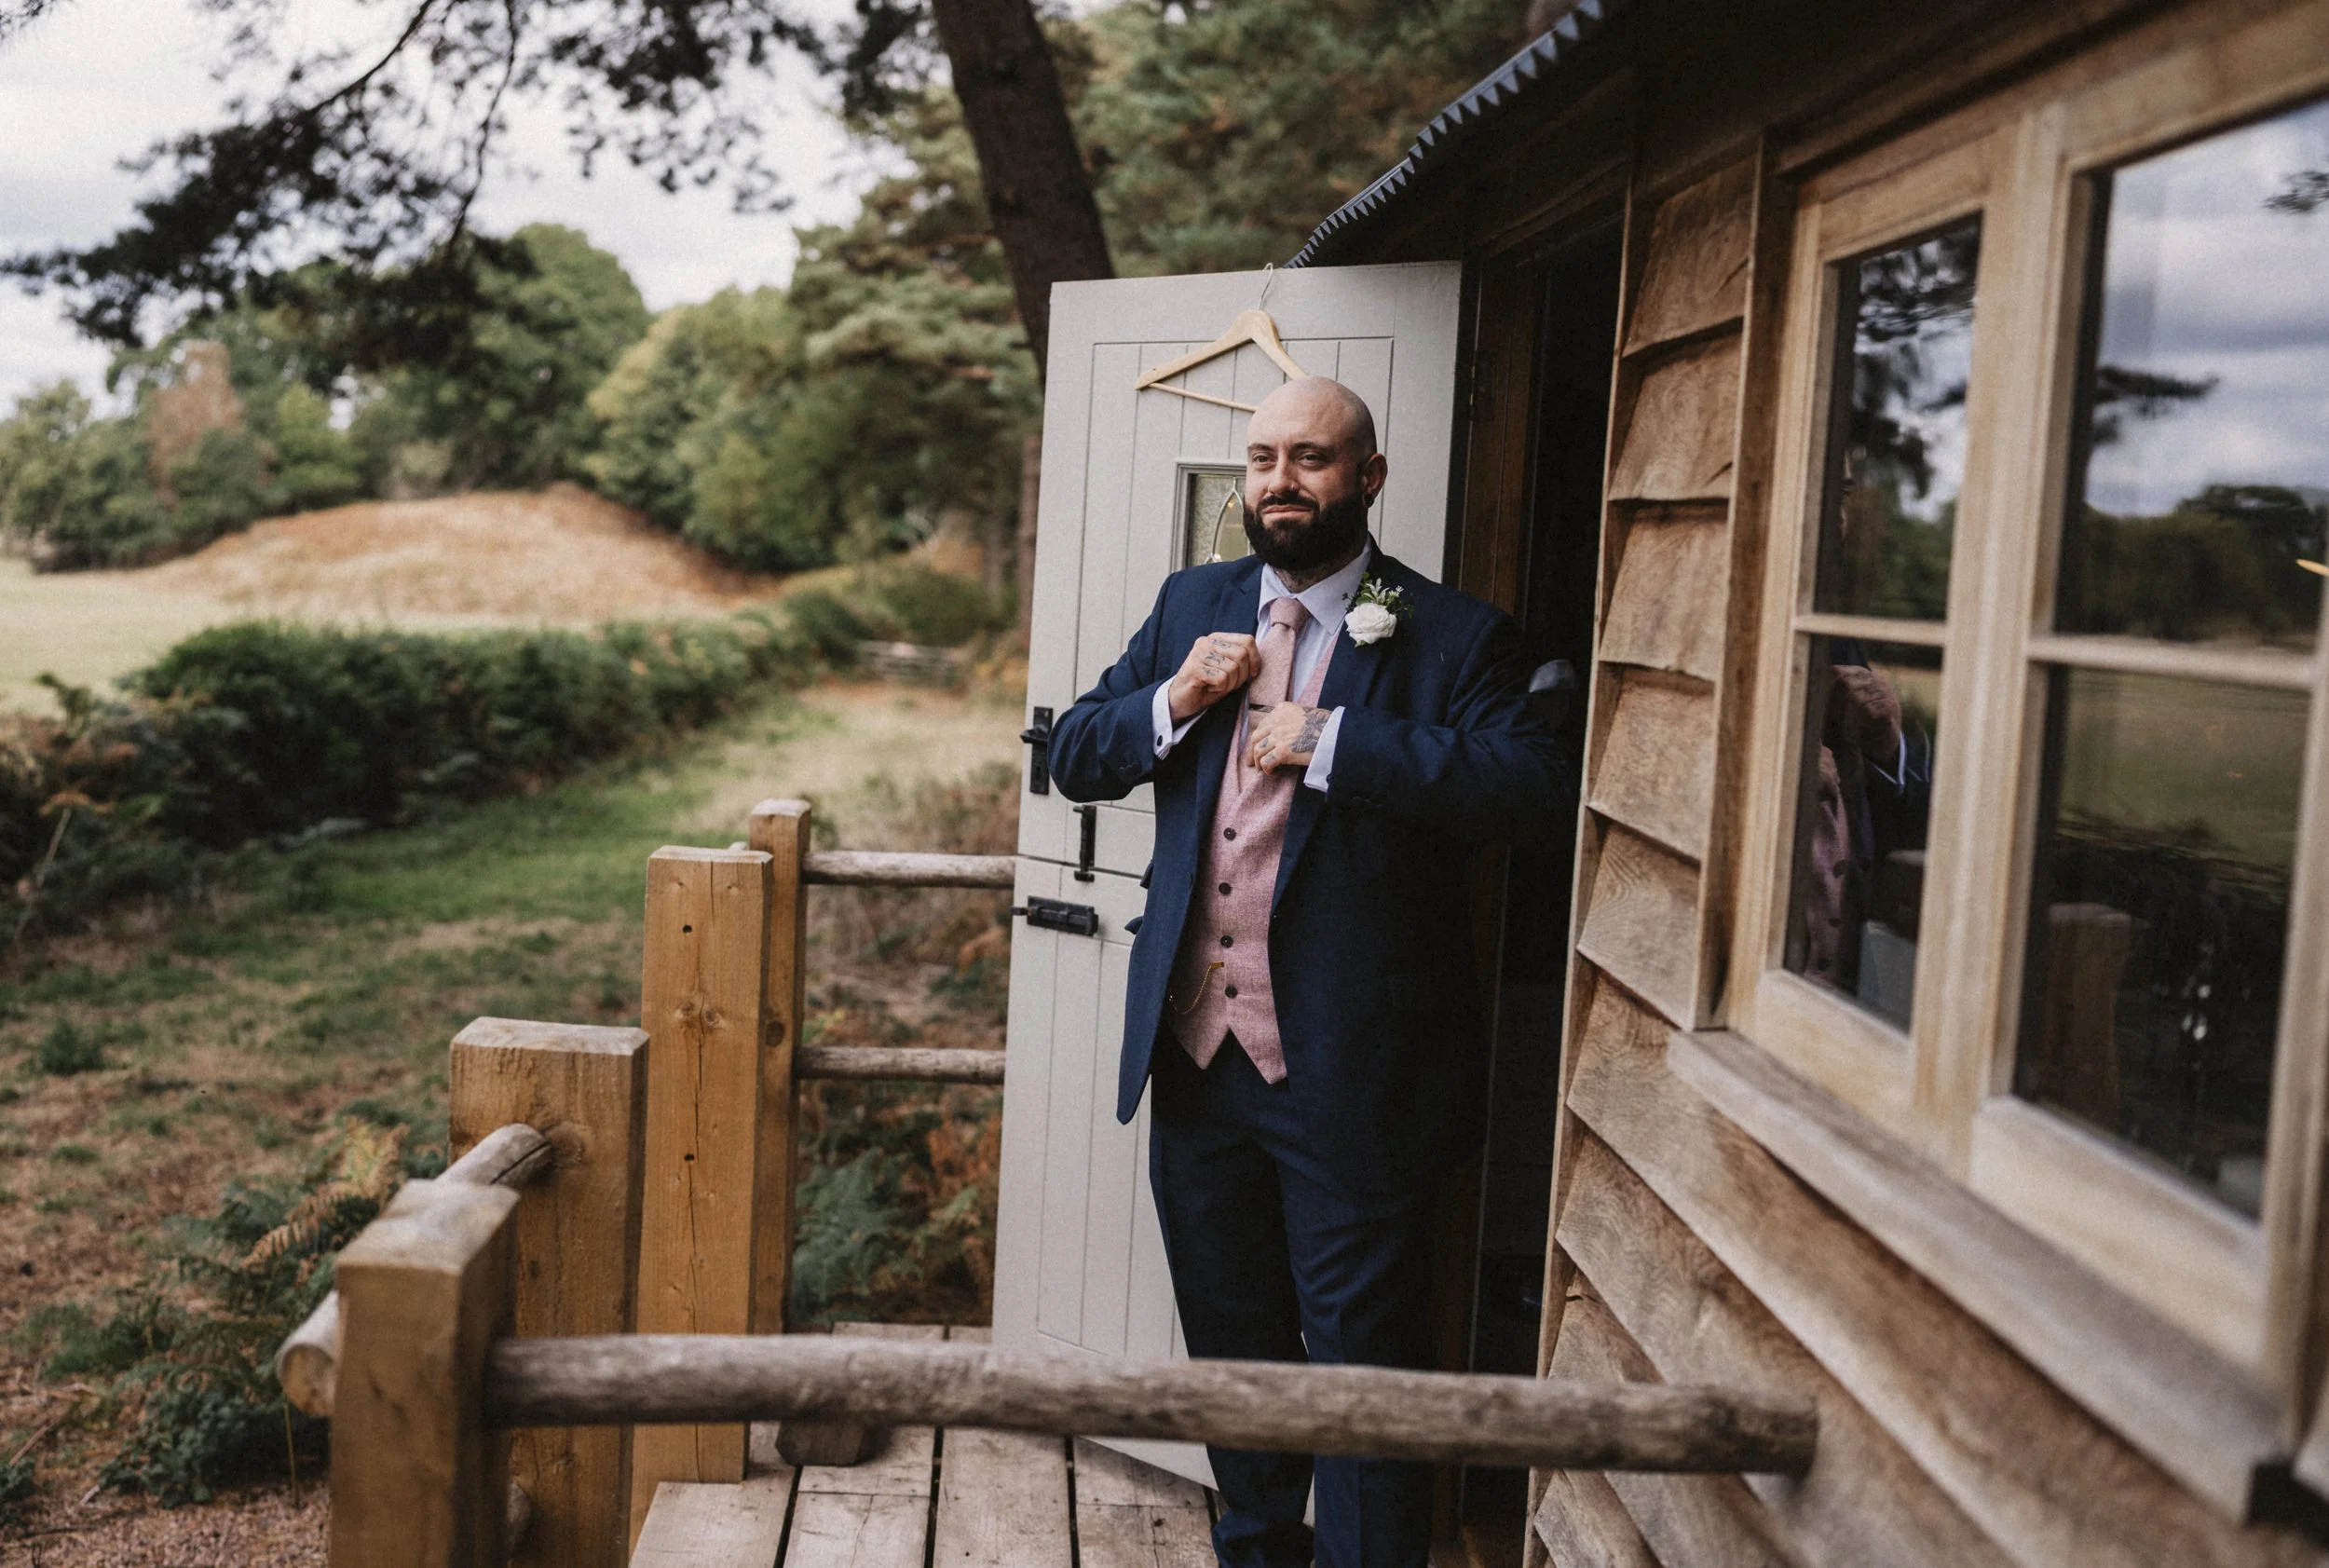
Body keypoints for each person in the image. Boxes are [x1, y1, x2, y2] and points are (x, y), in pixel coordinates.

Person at [1046, 375, 1573, 1568]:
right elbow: (1076, 751)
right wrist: (1175, 699)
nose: (1281, 481)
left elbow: (1530, 791)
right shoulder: (1196, 599)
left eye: (1313, 459)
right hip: (1196, 1068)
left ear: (1367, 479)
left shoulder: (1452, 632)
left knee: (1358, 1380)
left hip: (1354, 1081)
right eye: (1263, 458)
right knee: (1234, 1359)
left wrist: (1334, 741)